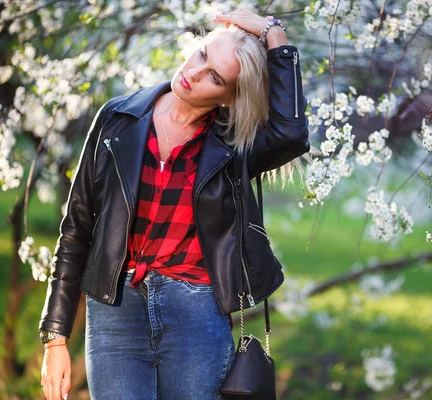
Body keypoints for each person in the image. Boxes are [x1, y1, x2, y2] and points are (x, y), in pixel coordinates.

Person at [38, 8, 310, 400]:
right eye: (202, 54)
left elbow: (290, 132)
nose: (195, 73)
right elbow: (76, 227)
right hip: (115, 313)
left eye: (215, 77)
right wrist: (56, 337)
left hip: (196, 316)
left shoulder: (234, 147)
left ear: (229, 96)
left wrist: (275, 37)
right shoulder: (117, 119)